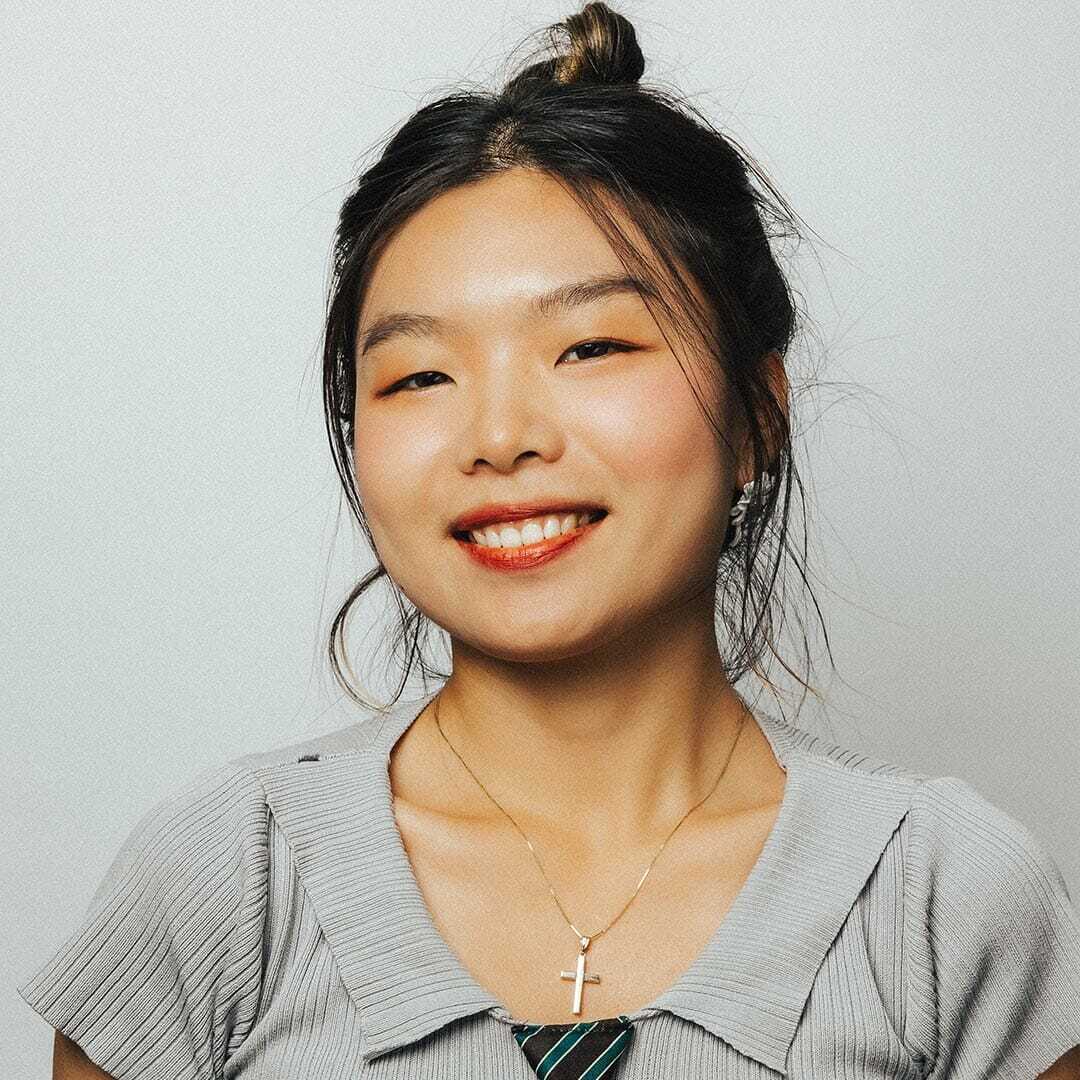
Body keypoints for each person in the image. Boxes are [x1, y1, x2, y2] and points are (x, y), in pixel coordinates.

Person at [18, 3, 1080, 1078]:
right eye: (419, 375)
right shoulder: (225, 880)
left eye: (591, 347)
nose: (499, 437)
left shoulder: (944, 899)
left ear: (758, 414)